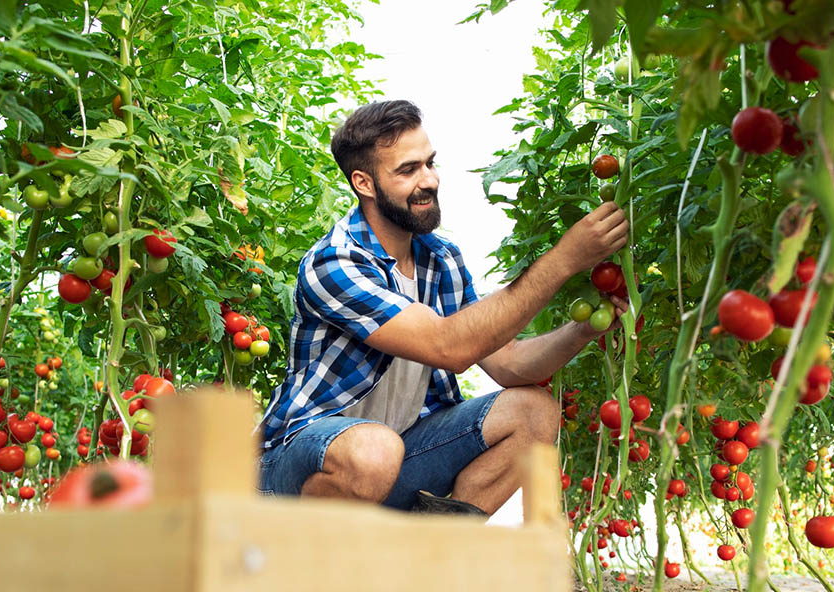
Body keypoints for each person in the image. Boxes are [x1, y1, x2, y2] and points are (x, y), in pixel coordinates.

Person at [258, 100, 628, 515]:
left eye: (430, 163)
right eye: (408, 170)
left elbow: (509, 364)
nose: (429, 180)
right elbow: (448, 347)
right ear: (363, 183)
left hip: (396, 457)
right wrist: (563, 260)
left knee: (534, 411)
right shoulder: (335, 262)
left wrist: (584, 330)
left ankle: (433, 556)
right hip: (297, 466)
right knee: (373, 450)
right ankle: (314, 564)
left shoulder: (440, 260)